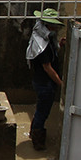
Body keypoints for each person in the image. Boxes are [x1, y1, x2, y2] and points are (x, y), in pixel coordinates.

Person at [26, 8, 65, 151]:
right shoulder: (42, 45)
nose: (56, 28)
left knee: (40, 110)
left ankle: (34, 132)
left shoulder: (44, 40)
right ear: (49, 26)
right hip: (44, 84)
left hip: (41, 82)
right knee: (43, 112)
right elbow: (48, 67)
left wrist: (60, 45)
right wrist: (61, 84)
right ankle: (38, 142)